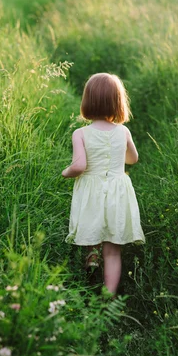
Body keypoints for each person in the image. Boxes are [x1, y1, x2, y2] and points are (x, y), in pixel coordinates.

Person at [62, 72, 145, 295]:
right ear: (118, 102)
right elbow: (133, 159)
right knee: (113, 249)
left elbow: (79, 166)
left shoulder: (80, 133)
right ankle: (108, 297)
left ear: (87, 100)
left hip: (91, 191)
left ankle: (92, 256)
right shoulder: (123, 131)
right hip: (117, 190)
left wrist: (66, 172)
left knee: (93, 226)